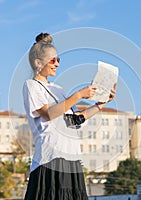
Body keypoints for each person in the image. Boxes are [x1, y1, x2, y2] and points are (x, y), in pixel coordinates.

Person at [23, 32, 116, 200]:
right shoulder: (31, 86)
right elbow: (49, 114)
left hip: (71, 159)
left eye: (58, 60)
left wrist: (100, 104)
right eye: (53, 60)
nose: (57, 64)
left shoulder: (58, 89)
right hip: (49, 159)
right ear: (38, 62)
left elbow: (75, 119)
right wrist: (79, 95)